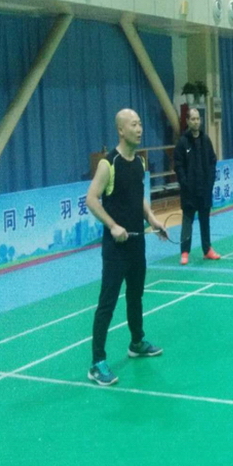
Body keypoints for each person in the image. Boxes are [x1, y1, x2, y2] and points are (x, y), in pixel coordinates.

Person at [85, 109, 164, 386]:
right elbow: (91, 199)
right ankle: (97, 362)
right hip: (116, 248)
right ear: (121, 130)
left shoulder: (139, 162)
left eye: (140, 123)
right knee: (107, 303)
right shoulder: (109, 164)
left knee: (135, 295)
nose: (139, 129)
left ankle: (136, 342)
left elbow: (138, 196)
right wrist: (112, 225)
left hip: (137, 243)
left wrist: (151, 218)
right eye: (134, 124)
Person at [173, 107, 220, 265]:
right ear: (187, 121)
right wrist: (185, 183)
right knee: (187, 222)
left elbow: (212, 161)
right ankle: (185, 252)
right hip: (189, 192)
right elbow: (178, 166)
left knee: (205, 222)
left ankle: (207, 250)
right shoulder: (182, 142)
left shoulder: (206, 140)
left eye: (198, 119)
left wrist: (210, 181)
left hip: (204, 190)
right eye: (193, 119)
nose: (196, 122)